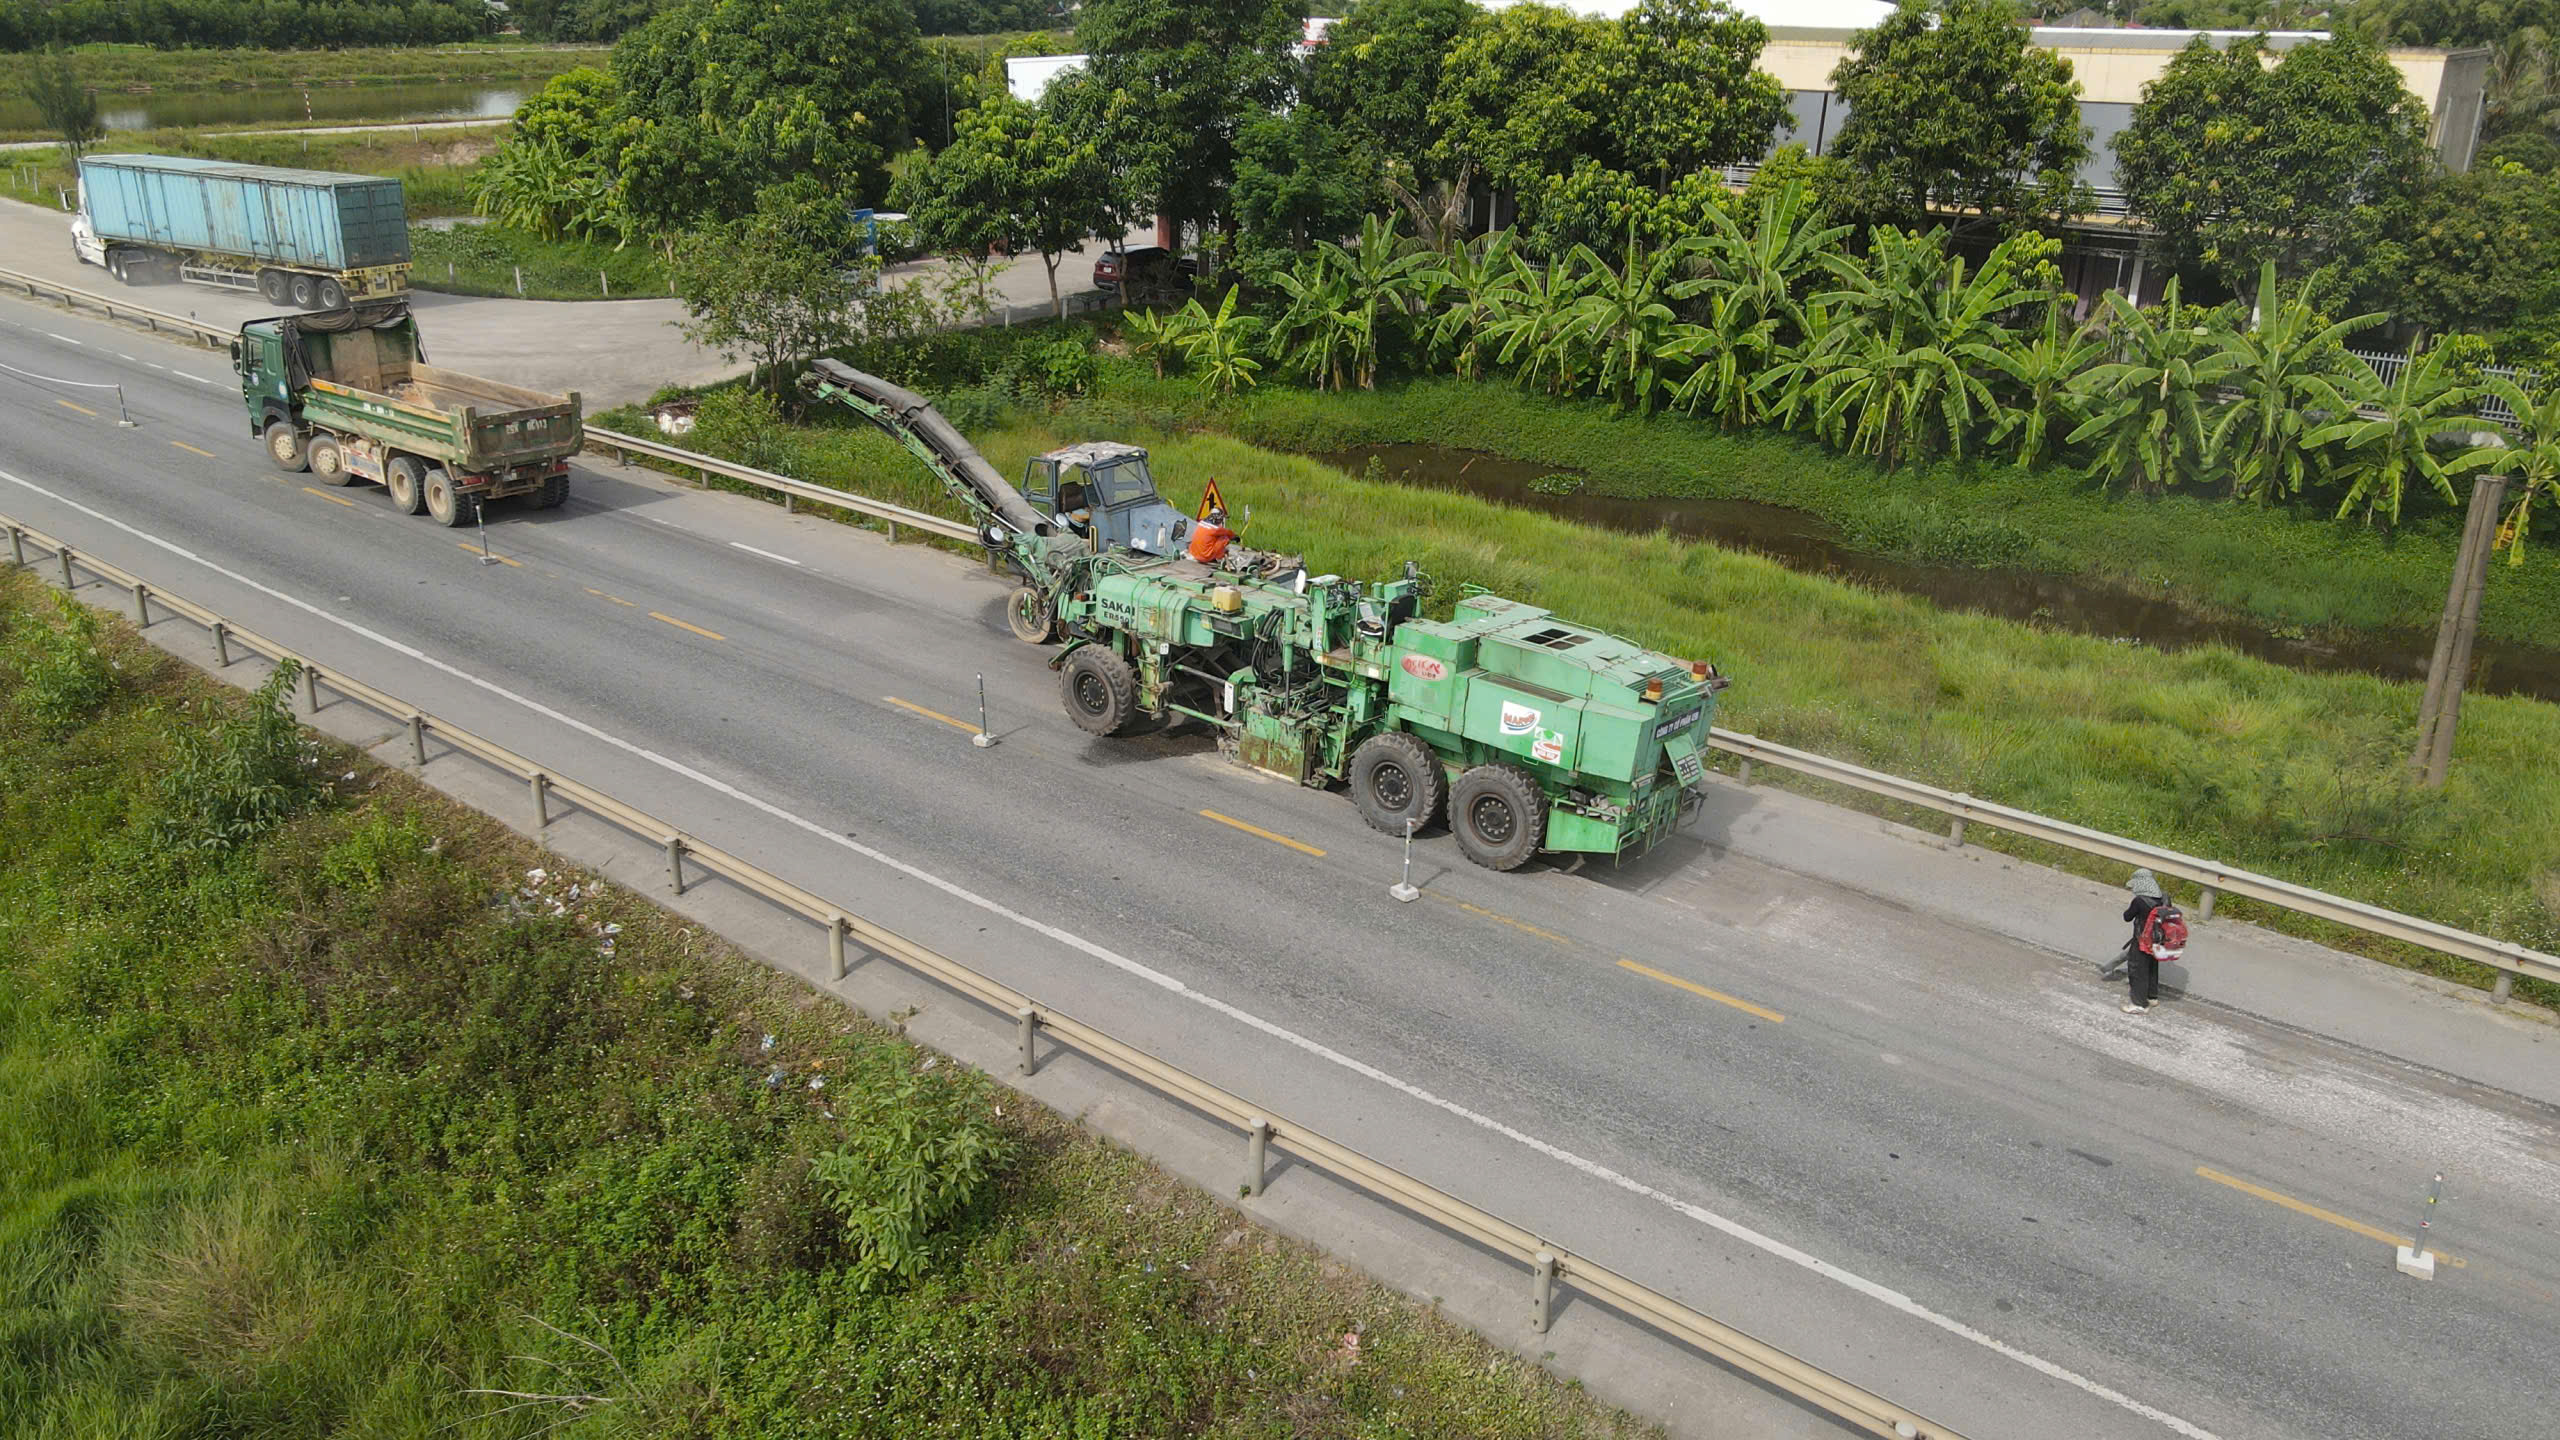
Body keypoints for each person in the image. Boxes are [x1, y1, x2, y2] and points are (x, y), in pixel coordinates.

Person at [2116, 868, 2168, 1014]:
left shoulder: (2139, 901)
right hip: (2158, 940)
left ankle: (2138, 1003)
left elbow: (2127, 917)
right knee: (2152, 966)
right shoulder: (2165, 897)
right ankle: (2152, 997)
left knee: (2137, 969)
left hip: (2142, 940)